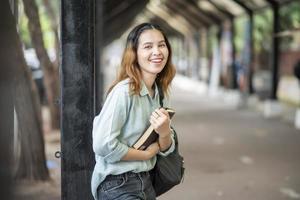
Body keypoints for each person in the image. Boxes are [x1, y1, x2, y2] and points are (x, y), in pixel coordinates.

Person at [91, 23, 177, 200]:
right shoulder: (124, 92)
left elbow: (167, 148)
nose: (157, 52)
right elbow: (103, 144)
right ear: (134, 54)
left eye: (161, 45)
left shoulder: (160, 92)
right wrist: (145, 155)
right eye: (148, 46)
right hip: (117, 184)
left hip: (146, 182)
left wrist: (165, 132)